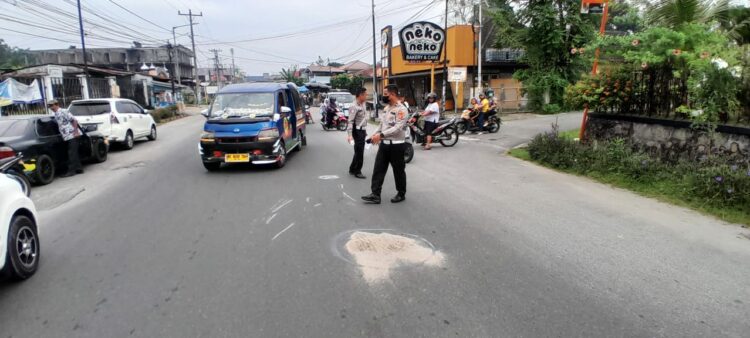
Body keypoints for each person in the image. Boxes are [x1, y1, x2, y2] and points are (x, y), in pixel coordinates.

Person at [362, 84, 408, 204]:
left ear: (392, 94)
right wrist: (374, 135)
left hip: (397, 146)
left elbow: (398, 128)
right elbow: (382, 125)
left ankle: (401, 193)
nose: (384, 96)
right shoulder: (387, 108)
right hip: (384, 146)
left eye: (386, 93)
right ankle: (375, 194)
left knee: (398, 171)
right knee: (378, 169)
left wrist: (381, 136)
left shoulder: (402, 109)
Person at [48, 99, 83, 177]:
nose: (51, 107)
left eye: (52, 105)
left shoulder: (63, 111)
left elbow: (74, 120)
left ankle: (71, 171)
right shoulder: (56, 114)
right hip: (66, 136)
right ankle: (79, 168)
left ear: (56, 104)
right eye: (49, 106)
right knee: (73, 153)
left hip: (72, 135)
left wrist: (76, 132)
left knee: (71, 154)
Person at [347, 88, 368, 179]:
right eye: (365, 94)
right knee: (360, 152)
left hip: (362, 130)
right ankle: (358, 171)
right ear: (360, 95)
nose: (366, 96)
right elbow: (350, 121)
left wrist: (365, 131)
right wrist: (350, 135)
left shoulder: (363, 104)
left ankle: (352, 168)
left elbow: (362, 119)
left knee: (358, 151)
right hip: (357, 131)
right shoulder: (353, 106)